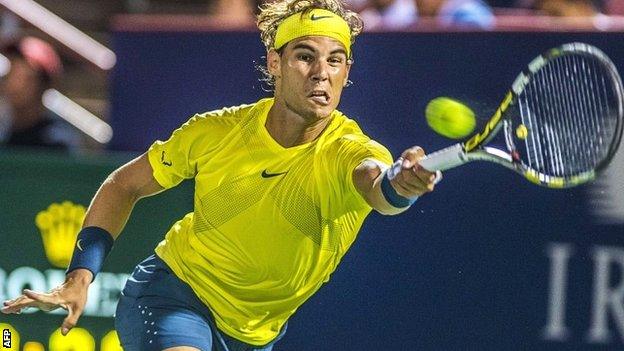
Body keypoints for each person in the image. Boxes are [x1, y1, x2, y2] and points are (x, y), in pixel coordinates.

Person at [1, 0, 439, 350]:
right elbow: (123, 184)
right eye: (305, 56)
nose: (321, 73)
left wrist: (402, 184)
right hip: (173, 295)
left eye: (336, 60)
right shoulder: (216, 131)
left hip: (255, 335)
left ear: (347, 71)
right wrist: (80, 276)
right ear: (274, 63)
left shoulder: (353, 151)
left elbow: (378, 184)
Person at [0, 36, 79, 150]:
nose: (13, 85)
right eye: (10, 74)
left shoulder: (58, 141)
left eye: (24, 77)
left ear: (45, 85)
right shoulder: (3, 133)